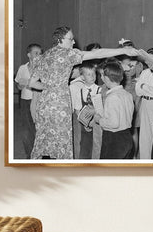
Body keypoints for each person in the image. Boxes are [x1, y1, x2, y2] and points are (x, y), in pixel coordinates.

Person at [28, 26, 138, 160]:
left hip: (44, 106)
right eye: (71, 39)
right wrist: (122, 50)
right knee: (62, 146)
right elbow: (98, 54)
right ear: (60, 40)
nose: (74, 42)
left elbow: (32, 83)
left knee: (43, 142)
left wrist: (51, 87)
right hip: (60, 107)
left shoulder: (42, 57)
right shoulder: (67, 54)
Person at [93, 61, 134, 159]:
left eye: (102, 75)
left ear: (106, 78)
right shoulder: (127, 95)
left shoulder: (112, 97)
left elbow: (113, 123)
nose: (101, 77)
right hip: (127, 136)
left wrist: (98, 119)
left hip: (114, 139)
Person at [135, 47, 153, 159]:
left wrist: (144, 86)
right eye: (146, 58)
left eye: (150, 58)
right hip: (145, 104)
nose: (147, 61)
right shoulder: (144, 72)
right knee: (144, 136)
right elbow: (138, 90)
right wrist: (146, 88)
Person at [14, 43, 42, 158]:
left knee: (39, 128)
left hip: (40, 101)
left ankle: (40, 153)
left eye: (40, 53)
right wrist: (20, 86)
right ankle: (29, 155)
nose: (39, 55)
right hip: (25, 101)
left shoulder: (43, 67)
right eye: (36, 53)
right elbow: (17, 84)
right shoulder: (22, 68)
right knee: (26, 129)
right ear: (29, 55)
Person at [69, 61, 102, 159]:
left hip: (97, 124)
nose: (92, 77)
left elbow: (101, 110)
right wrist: (86, 123)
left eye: (94, 74)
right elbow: (78, 110)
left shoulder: (99, 90)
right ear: (82, 77)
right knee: (85, 146)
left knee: (97, 147)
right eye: (89, 74)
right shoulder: (80, 91)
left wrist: (93, 121)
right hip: (85, 125)